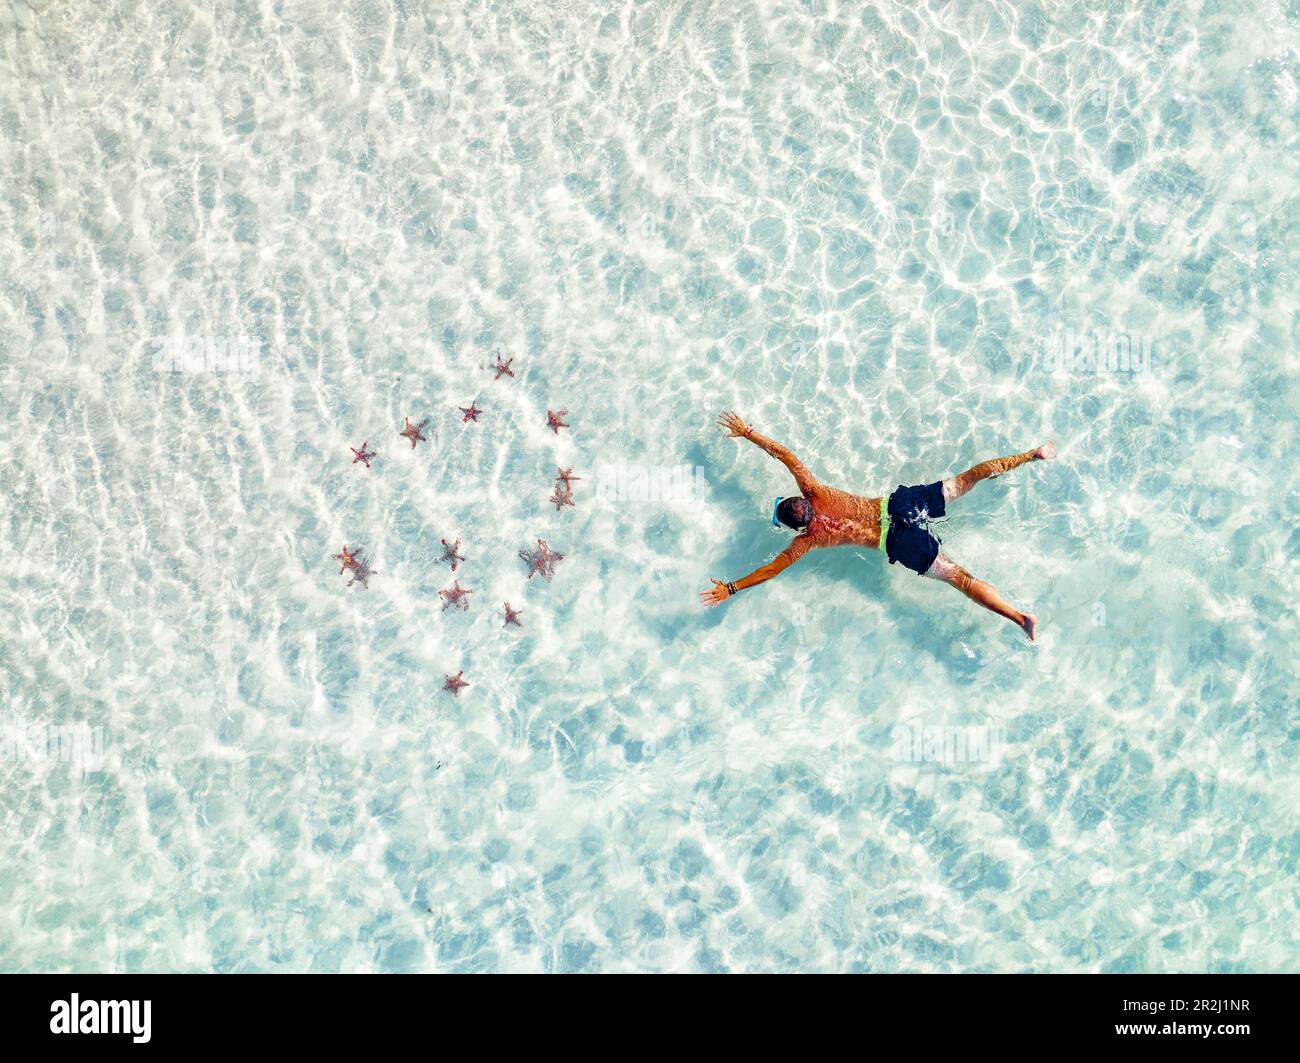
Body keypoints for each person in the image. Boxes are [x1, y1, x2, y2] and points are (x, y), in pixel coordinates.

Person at [699, 411, 1056, 640]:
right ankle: (1031, 455)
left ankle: (1020, 617)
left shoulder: (807, 541)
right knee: (965, 480)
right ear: (802, 500)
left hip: (897, 542)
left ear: (796, 526)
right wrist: (748, 433)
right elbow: (785, 455)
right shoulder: (814, 490)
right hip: (898, 505)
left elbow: (771, 570)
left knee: (962, 579)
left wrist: (732, 588)